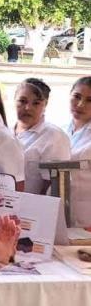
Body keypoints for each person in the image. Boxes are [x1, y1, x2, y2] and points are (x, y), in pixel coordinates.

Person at [13, 78, 70, 195]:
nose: (28, 108)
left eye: (36, 103)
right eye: (22, 101)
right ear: (14, 100)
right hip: (0, 205)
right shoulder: (4, 131)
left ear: (45, 104)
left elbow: (52, 186)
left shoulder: (54, 137)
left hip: (32, 209)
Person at [65, 76, 91, 227]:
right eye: (77, 97)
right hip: (60, 211)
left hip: (86, 220)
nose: (80, 105)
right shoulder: (61, 129)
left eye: (90, 100)